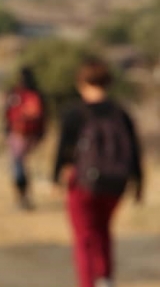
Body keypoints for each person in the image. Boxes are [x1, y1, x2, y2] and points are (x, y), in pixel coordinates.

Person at [53, 56, 143, 287]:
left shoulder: (76, 113)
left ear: (81, 83)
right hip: (116, 183)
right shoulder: (121, 113)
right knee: (103, 231)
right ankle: (105, 278)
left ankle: (87, 283)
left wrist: (56, 179)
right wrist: (138, 183)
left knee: (84, 238)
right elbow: (134, 150)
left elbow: (64, 149)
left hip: (84, 184)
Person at [4, 66, 47, 210]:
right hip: (30, 135)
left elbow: (7, 113)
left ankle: (23, 197)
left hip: (20, 134)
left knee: (18, 164)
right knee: (20, 163)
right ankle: (24, 197)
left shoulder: (18, 94)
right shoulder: (36, 94)